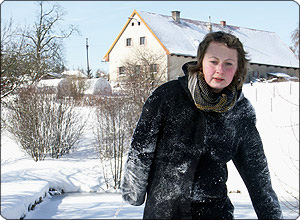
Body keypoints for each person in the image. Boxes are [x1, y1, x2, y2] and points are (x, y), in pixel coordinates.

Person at [121, 31, 282, 219]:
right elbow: (141, 149)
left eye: (228, 64)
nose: (220, 70)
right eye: (213, 61)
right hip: (164, 211)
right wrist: (133, 192)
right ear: (201, 62)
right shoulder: (167, 97)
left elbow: (257, 175)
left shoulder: (240, 112)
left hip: (214, 212)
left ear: (238, 69)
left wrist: (271, 215)